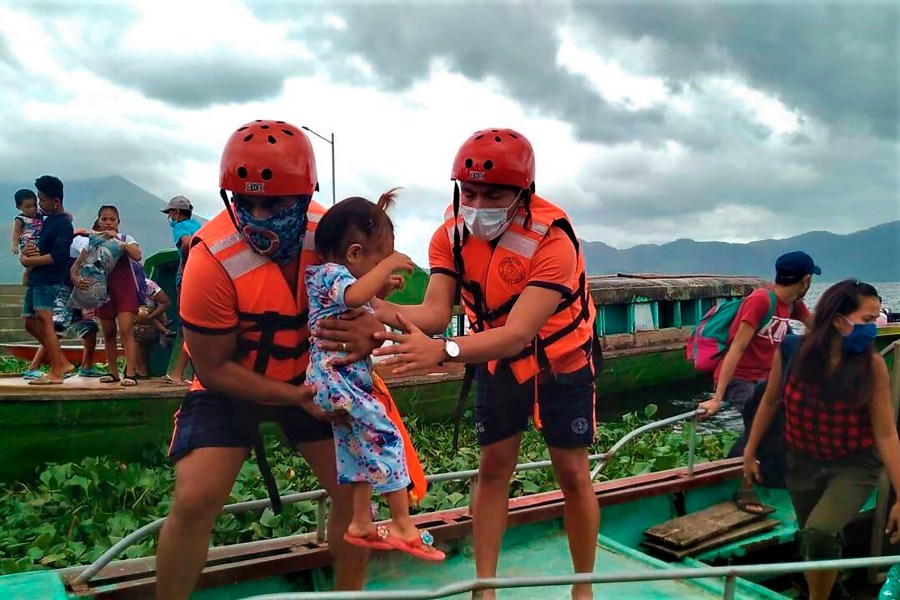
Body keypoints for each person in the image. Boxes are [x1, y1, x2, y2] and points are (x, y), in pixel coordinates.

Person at [155, 120, 385, 600]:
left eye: (275, 203)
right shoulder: (209, 260)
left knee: (354, 494)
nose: (258, 214)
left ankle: (348, 593)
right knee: (195, 498)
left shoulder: (335, 236)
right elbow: (214, 368)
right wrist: (292, 397)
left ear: (304, 198)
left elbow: (374, 297)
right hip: (233, 386)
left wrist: (369, 330)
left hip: (317, 377)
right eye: (247, 202)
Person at [369, 128, 602, 599]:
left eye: (493, 194)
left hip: (560, 362)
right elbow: (435, 313)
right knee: (494, 467)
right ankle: (485, 588)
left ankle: (583, 588)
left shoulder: (553, 242)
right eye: (470, 192)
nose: (478, 204)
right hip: (498, 367)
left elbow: (518, 332)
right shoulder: (449, 237)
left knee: (572, 472)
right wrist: (368, 307)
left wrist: (445, 351)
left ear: (523, 194)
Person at [306, 190, 443, 561]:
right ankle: (401, 522)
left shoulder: (337, 278)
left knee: (355, 450)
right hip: (338, 381)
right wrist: (388, 266)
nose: (386, 267)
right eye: (380, 260)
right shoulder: (330, 275)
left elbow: (361, 295)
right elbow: (352, 296)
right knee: (385, 436)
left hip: (338, 383)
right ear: (353, 254)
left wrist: (383, 283)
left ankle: (361, 522)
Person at [742, 279, 900, 600]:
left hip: (854, 465)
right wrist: (750, 450)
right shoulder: (790, 352)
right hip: (802, 461)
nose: (873, 328)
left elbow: (885, 433)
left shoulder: (871, 367)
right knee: (813, 542)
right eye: (867, 320)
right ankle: (834, 592)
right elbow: (770, 401)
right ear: (838, 320)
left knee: (819, 533)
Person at [699, 251, 817, 514]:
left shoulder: (793, 305)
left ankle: (768, 471)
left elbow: (816, 325)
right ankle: (741, 482)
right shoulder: (761, 301)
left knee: (785, 416)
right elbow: (737, 348)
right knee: (760, 421)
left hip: (765, 378)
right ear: (806, 280)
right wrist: (717, 398)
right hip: (739, 378)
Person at [19, 176, 74, 385]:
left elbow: (58, 257)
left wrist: (30, 260)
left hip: (49, 280)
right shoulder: (47, 219)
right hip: (37, 278)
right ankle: (61, 361)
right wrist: (26, 256)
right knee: (30, 323)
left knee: (46, 324)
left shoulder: (63, 225)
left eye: (42, 200)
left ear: (56, 201)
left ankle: (56, 373)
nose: (39, 205)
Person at [90, 206, 142, 387]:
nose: (108, 222)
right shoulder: (94, 241)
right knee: (109, 332)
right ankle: (113, 372)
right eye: (104, 219)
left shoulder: (127, 239)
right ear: (99, 221)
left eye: (112, 219)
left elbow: (137, 255)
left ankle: (130, 373)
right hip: (104, 290)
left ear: (118, 222)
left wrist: (119, 241)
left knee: (126, 330)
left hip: (125, 289)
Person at [161, 195, 201, 385]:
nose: (170, 217)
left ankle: (177, 373)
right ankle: (194, 375)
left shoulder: (180, 227)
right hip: (203, 274)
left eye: (170, 213)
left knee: (187, 324)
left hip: (187, 276)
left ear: (176, 213)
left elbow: (186, 243)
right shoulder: (199, 225)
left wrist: (185, 264)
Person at [133, 278, 174, 379]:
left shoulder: (147, 284)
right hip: (143, 320)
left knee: (135, 334)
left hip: (147, 321)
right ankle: (140, 368)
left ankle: (141, 369)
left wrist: (149, 317)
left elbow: (165, 302)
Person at [11, 188, 42, 286]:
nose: (32, 209)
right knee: (34, 259)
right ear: (19, 207)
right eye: (28, 206)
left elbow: (51, 212)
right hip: (28, 243)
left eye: (34, 205)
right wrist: (15, 245)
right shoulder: (20, 219)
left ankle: (31, 276)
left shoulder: (39, 214)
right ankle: (27, 274)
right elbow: (16, 233)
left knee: (39, 259)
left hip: (39, 240)